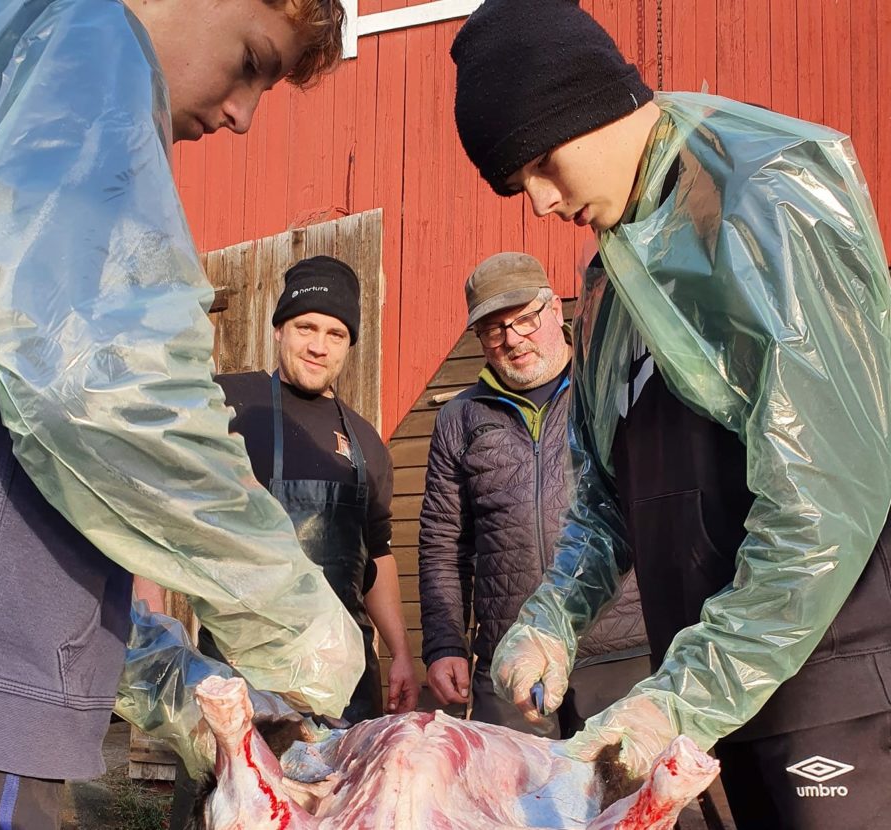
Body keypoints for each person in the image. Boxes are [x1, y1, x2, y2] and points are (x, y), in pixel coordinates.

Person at [0, 0, 359, 824]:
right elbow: (107, 398)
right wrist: (301, 625)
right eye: (249, 62)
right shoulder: (76, 34)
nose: (243, 116)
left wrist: (179, 680)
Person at [450, 0, 891, 827]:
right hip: (712, 704)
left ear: (590, 103)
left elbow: (825, 503)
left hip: (830, 687)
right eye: (520, 185)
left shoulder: (766, 202)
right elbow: (607, 497)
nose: (540, 202)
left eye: (543, 163)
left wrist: (681, 700)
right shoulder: (616, 278)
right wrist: (553, 617)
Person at [166, 255, 419, 827]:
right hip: (240, 677)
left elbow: (377, 557)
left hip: (345, 690)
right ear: (278, 329)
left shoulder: (367, 444)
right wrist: (161, 633)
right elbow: (167, 516)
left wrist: (401, 652)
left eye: (335, 333)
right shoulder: (227, 405)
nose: (319, 345)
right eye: (306, 327)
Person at [419, 251, 648, 738]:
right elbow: (442, 544)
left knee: (631, 805)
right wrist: (444, 645)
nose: (513, 339)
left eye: (525, 318)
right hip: (509, 662)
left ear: (554, 310)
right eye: (494, 329)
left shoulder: (607, 388)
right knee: (517, 806)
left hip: (621, 653)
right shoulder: (459, 418)